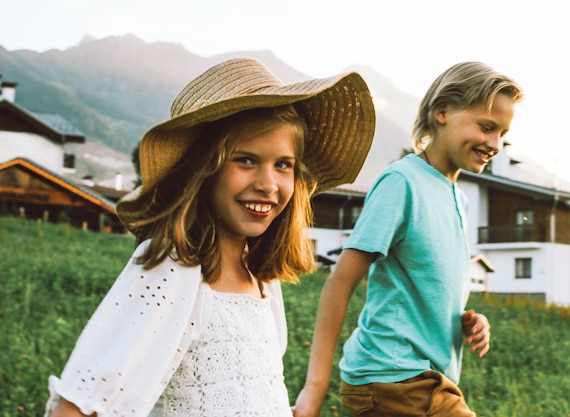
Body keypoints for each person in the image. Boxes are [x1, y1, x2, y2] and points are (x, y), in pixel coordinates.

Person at [44, 57, 376, 417]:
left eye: (283, 164)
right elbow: (79, 405)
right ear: (203, 169)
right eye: (246, 160)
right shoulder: (173, 269)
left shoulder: (262, 279)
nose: (267, 184)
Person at [293, 61, 524, 417]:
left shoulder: (458, 197)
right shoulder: (402, 182)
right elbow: (340, 282)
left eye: (502, 135)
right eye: (486, 127)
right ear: (442, 112)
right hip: (392, 377)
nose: (495, 144)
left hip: (427, 379)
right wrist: (313, 391)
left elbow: (421, 286)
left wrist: (462, 318)